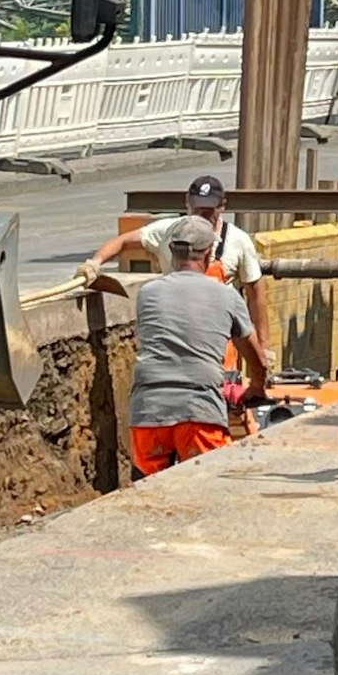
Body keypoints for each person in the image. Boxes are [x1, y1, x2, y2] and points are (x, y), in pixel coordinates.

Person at [127, 216, 269, 477]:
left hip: (149, 409)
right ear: (210, 253)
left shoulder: (148, 293)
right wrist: (257, 387)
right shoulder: (226, 296)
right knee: (205, 489)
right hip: (198, 410)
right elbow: (256, 359)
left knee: (146, 492)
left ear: (171, 252)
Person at [80, 174, 271, 361]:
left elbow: (255, 294)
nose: (202, 216)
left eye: (209, 211)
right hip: (176, 333)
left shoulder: (238, 241)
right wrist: (95, 263)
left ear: (222, 206)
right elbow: (123, 242)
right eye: (197, 209)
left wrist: (264, 347)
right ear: (187, 202)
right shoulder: (167, 231)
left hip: (219, 339)